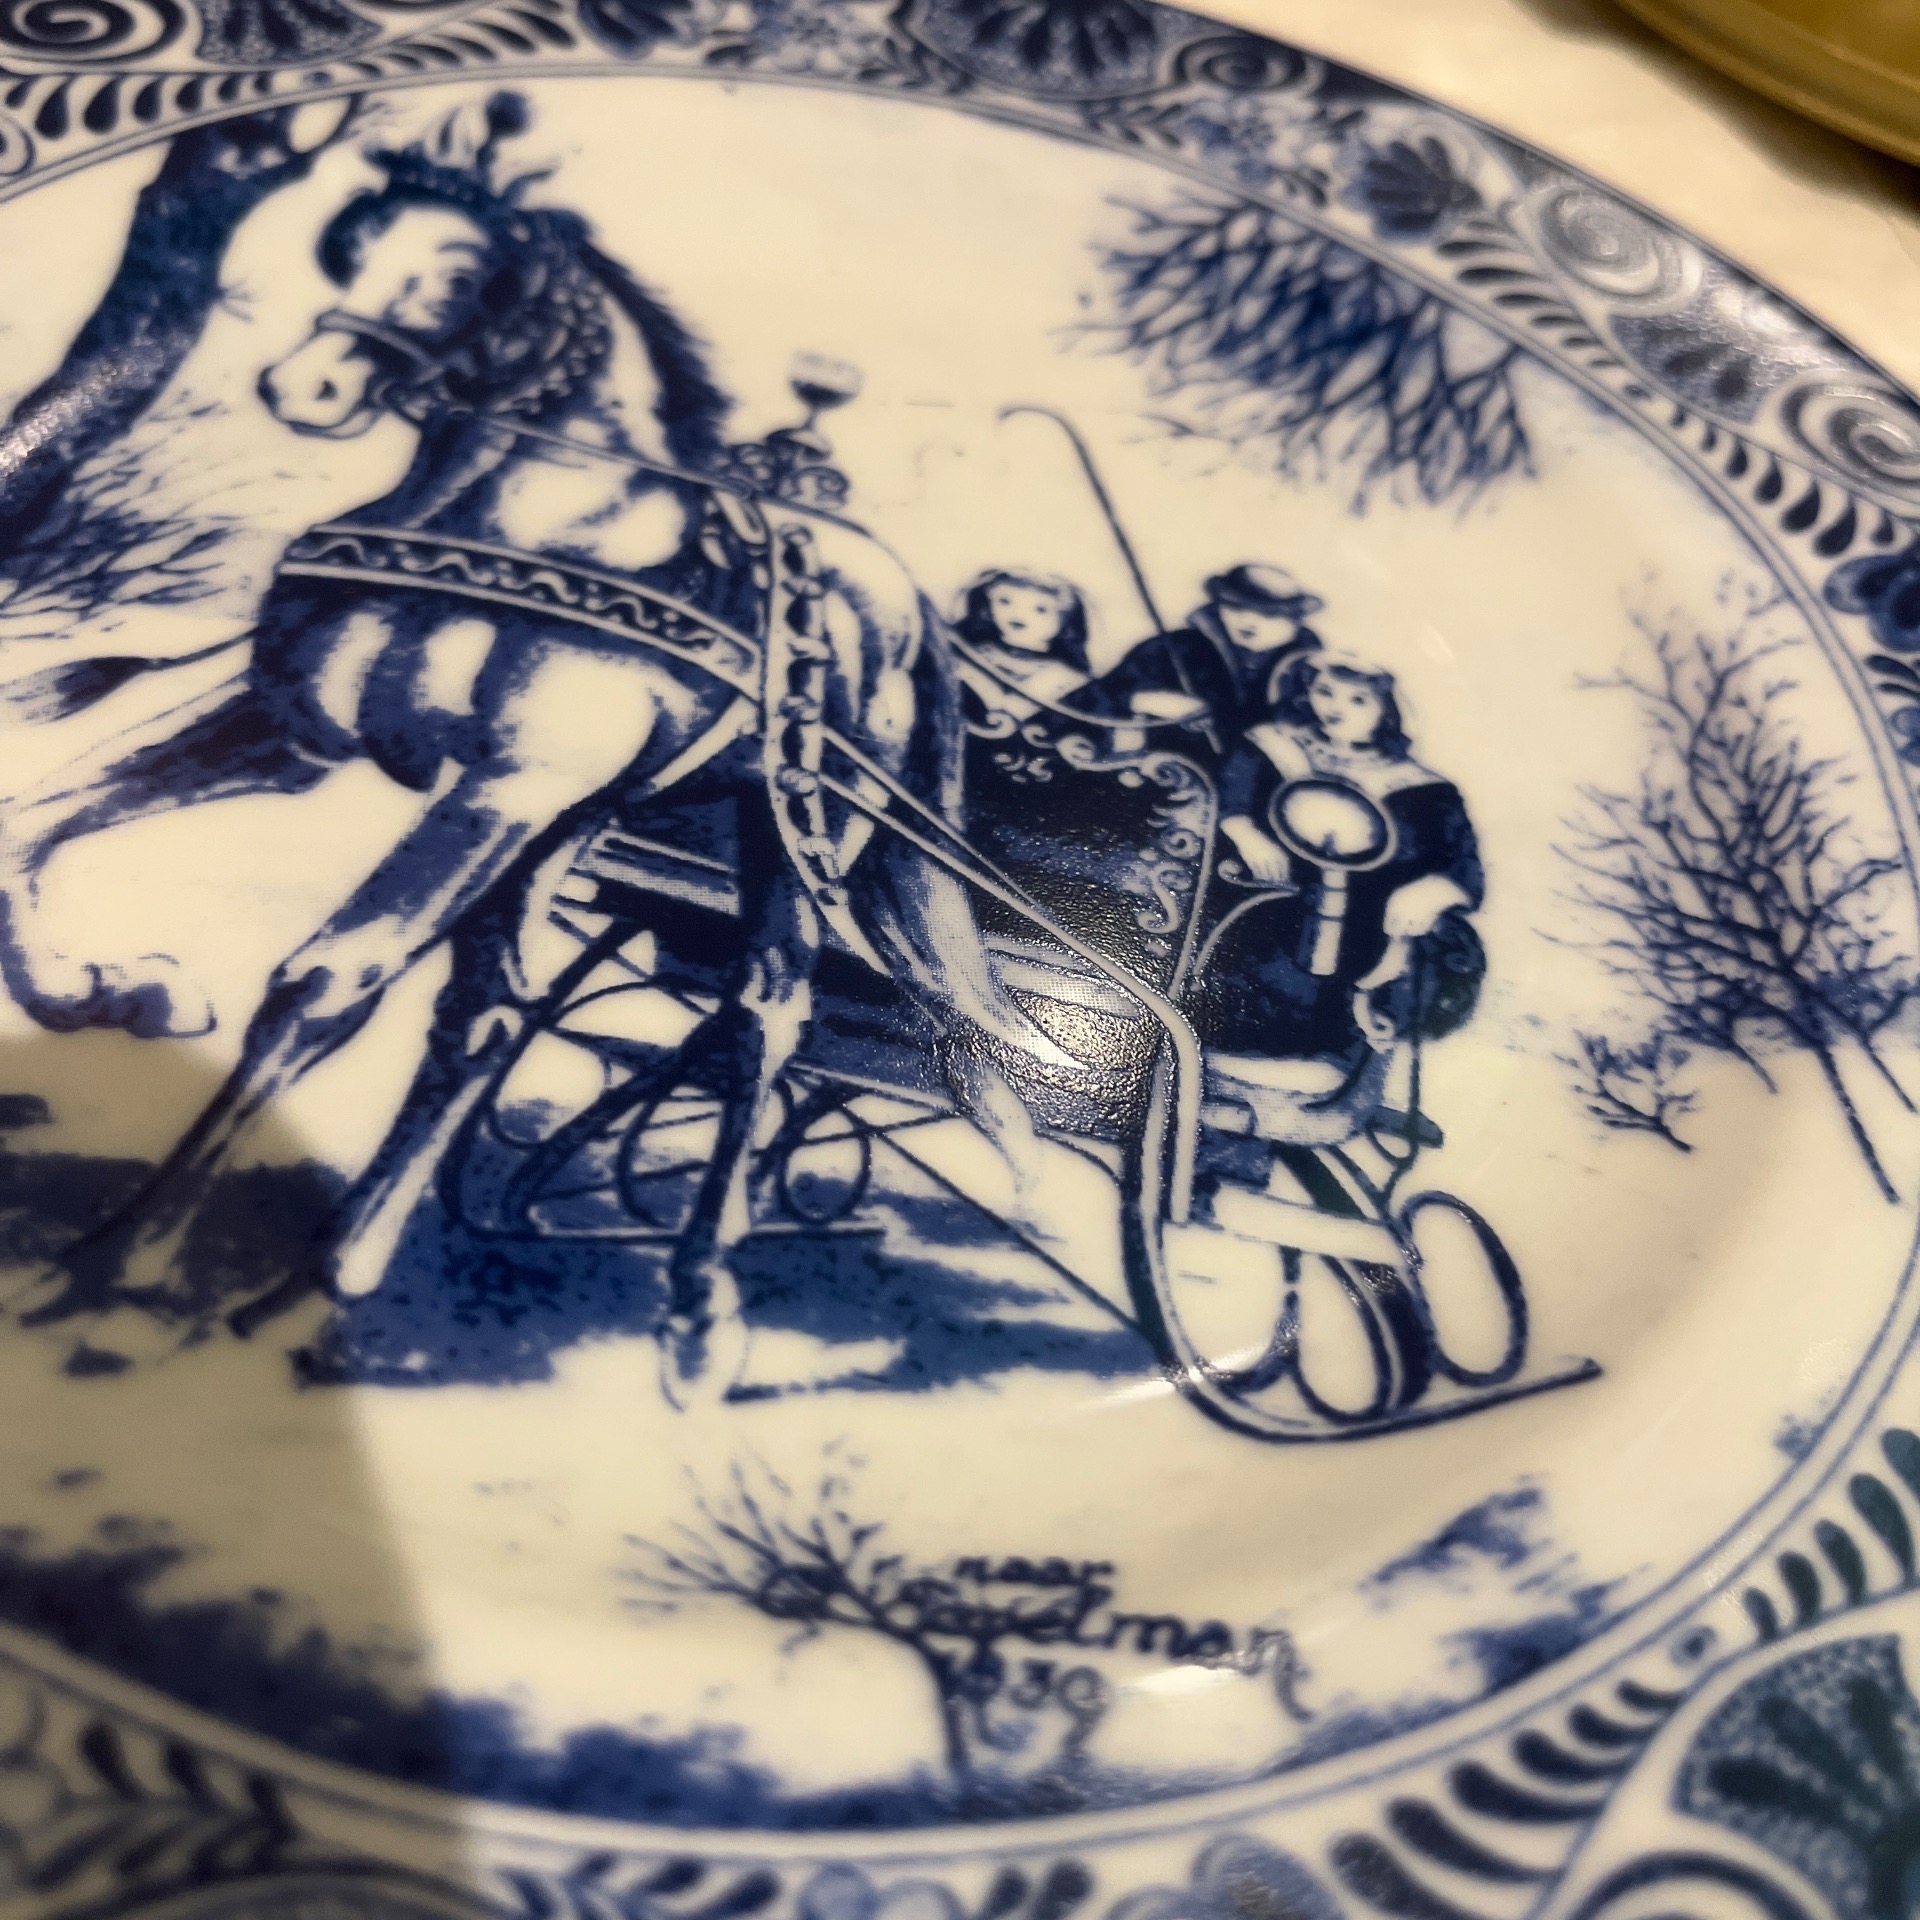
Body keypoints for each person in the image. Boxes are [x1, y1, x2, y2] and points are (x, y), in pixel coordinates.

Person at [1189, 651, 1484, 1064]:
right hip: (1260, 923)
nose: (1335, 708)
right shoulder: (1270, 747)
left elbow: (1464, 870)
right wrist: (1242, 829)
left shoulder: (1424, 790)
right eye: (1325, 692)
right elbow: (1222, 796)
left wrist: (1432, 890)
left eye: (1358, 700)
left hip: (1363, 944)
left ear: (1388, 710)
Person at [1080, 563, 1324, 760]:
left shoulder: (1311, 673)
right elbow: (1087, 702)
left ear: (1295, 621)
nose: (1248, 621)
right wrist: (1139, 700)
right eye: (1236, 607)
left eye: (1267, 613)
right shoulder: (1174, 649)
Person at [949, 567, 1093, 719]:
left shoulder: (1069, 679)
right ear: (987, 607)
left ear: (1066, 620)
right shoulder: (970, 657)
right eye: (1005, 601)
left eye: (1040, 609)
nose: (1019, 613)